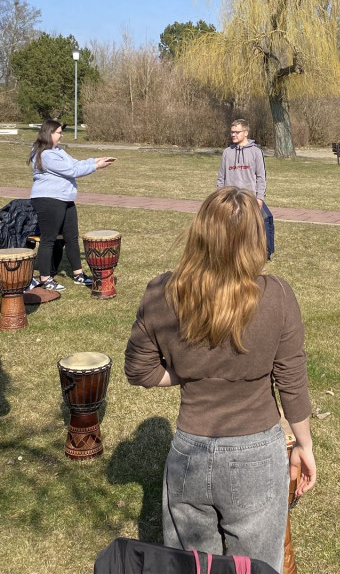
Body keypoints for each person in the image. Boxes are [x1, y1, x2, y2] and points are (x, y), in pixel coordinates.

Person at [125, 187, 315, 571]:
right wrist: (304, 446)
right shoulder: (277, 295)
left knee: (192, 566)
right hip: (258, 458)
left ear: (199, 233)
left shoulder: (162, 291)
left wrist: (190, 372)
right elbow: (291, 381)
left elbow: (140, 370)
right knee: (258, 566)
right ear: (256, 238)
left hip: (189, 454)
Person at [29, 119, 114, 291]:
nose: (61, 136)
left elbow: (75, 164)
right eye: (58, 133)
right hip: (48, 199)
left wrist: (95, 160)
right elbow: (72, 171)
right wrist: (96, 167)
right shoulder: (45, 155)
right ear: (49, 133)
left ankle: (78, 275)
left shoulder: (58, 151)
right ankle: (45, 278)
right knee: (49, 239)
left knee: (72, 237)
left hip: (65, 199)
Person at [216, 119, 274, 260]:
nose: (234, 135)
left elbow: (261, 177)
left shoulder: (256, 152)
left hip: (250, 198)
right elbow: (221, 177)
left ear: (246, 133)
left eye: (237, 132)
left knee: (266, 219)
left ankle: (265, 253)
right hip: (231, 198)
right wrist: (220, 197)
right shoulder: (227, 153)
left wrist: (259, 198)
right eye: (232, 132)